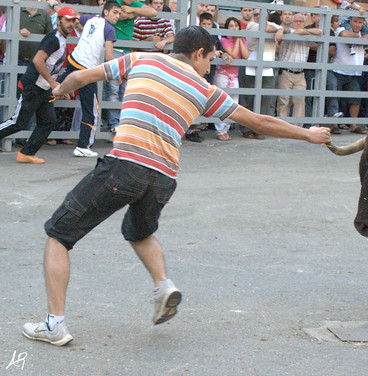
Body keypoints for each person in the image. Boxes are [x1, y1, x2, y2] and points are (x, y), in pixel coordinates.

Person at [21, 26, 331, 346]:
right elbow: (260, 122)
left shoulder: (140, 60)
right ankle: (163, 286)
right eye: (210, 59)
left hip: (125, 166)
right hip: (163, 179)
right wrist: (309, 134)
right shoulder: (205, 90)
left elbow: (80, 77)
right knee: (139, 231)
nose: (209, 67)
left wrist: (58, 90)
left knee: (59, 234)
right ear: (198, 53)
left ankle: (54, 325)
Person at [0, 7, 79, 164]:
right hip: (33, 86)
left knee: (48, 121)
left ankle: (26, 153)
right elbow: (37, 60)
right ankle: (26, 153)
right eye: (67, 20)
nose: (71, 24)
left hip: (43, 88)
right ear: (58, 21)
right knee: (18, 122)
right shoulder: (54, 39)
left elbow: (51, 66)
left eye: (73, 20)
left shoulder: (61, 39)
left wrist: (56, 87)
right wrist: (52, 82)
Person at [57, 1, 122, 157]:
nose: (117, 16)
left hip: (73, 60)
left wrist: (81, 30)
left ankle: (36, 98)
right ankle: (83, 146)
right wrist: (117, 75)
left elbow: (77, 20)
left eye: (119, 13)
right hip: (85, 69)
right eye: (114, 12)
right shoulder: (109, 29)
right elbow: (109, 56)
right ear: (106, 12)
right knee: (92, 111)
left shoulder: (90, 19)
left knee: (55, 90)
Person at [103, 0, 156, 133]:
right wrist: (132, 13)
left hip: (127, 50)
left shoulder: (134, 5)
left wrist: (132, 11)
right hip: (114, 49)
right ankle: (113, 123)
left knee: (124, 89)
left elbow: (153, 12)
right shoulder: (116, 2)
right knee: (113, 88)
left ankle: (122, 122)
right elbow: (117, 16)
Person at [239, 10, 283, 140]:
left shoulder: (272, 26)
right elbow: (266, 28)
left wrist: (279, 29)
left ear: (267, 16)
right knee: (247, 99)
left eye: (262, 14)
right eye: (256, 14)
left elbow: (282, 30)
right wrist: (279, 29)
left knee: (266, 99)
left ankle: (260, 129)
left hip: (268, 65)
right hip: (251, 64)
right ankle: (246, 128)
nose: (259, 16)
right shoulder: (252, 25)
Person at [333, 16, 368, 134]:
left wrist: (366, 36)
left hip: (355, 72)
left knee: (355, 99)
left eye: (360, 22)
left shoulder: (364, 32)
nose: (357, 25)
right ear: (350, 21)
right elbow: (343, 34)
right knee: (333, 98)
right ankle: (333, 124)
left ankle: (353, 125)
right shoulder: (342, 29)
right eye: (355, 22)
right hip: (338, 69)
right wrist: (359, 37)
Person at [276, 13, 321, 127]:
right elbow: (287, 31)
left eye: (301, 21)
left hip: (300, 74)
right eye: (296, 21)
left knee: (300, 101)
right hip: (286, 72)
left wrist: (305, 31)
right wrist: (281, 30)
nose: (298, 23)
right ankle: (283, 128)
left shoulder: (306, 34)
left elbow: (319, 32)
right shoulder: (288, 32)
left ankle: (297, 128)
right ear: (292, 22)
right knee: (283, 101)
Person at [213, 17, 248, 141]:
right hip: (222, 75)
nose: (234, 28)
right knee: (222, 103)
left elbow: (245, 56)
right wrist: (237, 41)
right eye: (231, 26)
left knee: (234, 104)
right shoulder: (224, 40)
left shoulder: (242, 40)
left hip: (234, 76)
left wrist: (239, 39)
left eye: (236, 26)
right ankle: (219, 131)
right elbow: (232, 54)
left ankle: (225, 130)